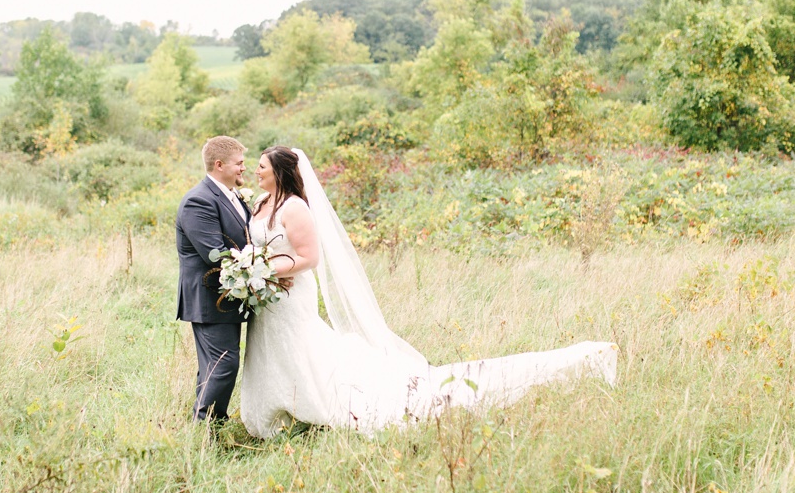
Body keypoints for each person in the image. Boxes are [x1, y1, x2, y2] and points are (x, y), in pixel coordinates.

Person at [239, 146, 617, 439]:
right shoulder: (260, 203)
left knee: (299, 346)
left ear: (280, 172)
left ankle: (311, 406)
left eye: (261, 166)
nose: (255, 171)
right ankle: (276, 411)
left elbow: (309, 257)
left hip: (289, 293)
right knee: (274, 346)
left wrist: (266, 270)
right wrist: (251, 268)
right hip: (267, 296)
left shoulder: (295, 208)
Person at [175, 136, 252, 424]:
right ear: (219, 165)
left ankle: (207, 428)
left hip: (228, 296)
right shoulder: (199, 200)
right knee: (224, 364)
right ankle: (206, 424)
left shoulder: (232, 194)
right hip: (210, 297)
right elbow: (213, 254)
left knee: (214, 365)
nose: (244, 169)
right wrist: (262, 262)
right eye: (239, 163)